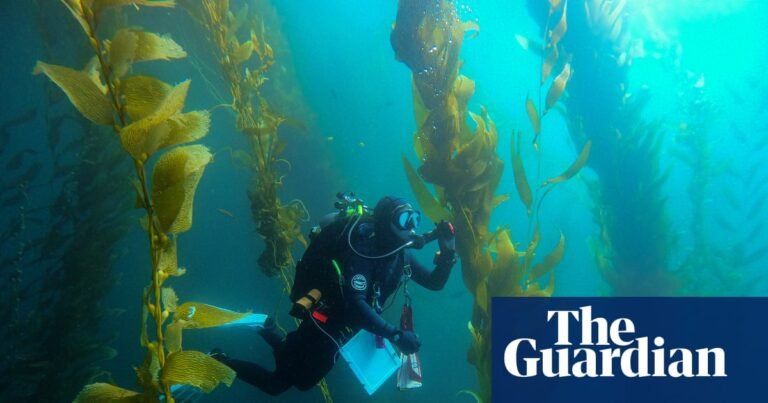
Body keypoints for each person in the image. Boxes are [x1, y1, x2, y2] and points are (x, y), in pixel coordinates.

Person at [211, 195, 457, 396]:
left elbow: (433, 283)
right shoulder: (363, 252)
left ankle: (267, 328)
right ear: (384, 223)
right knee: (277, 385)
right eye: (404, 218)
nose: (412, 227)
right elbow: (355, 304)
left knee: (295, 374)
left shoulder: (400, 255)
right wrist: (395, 334)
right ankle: (219, 360)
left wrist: (447, 255)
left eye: (415, 218)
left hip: (343, 332)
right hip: (326, 321)